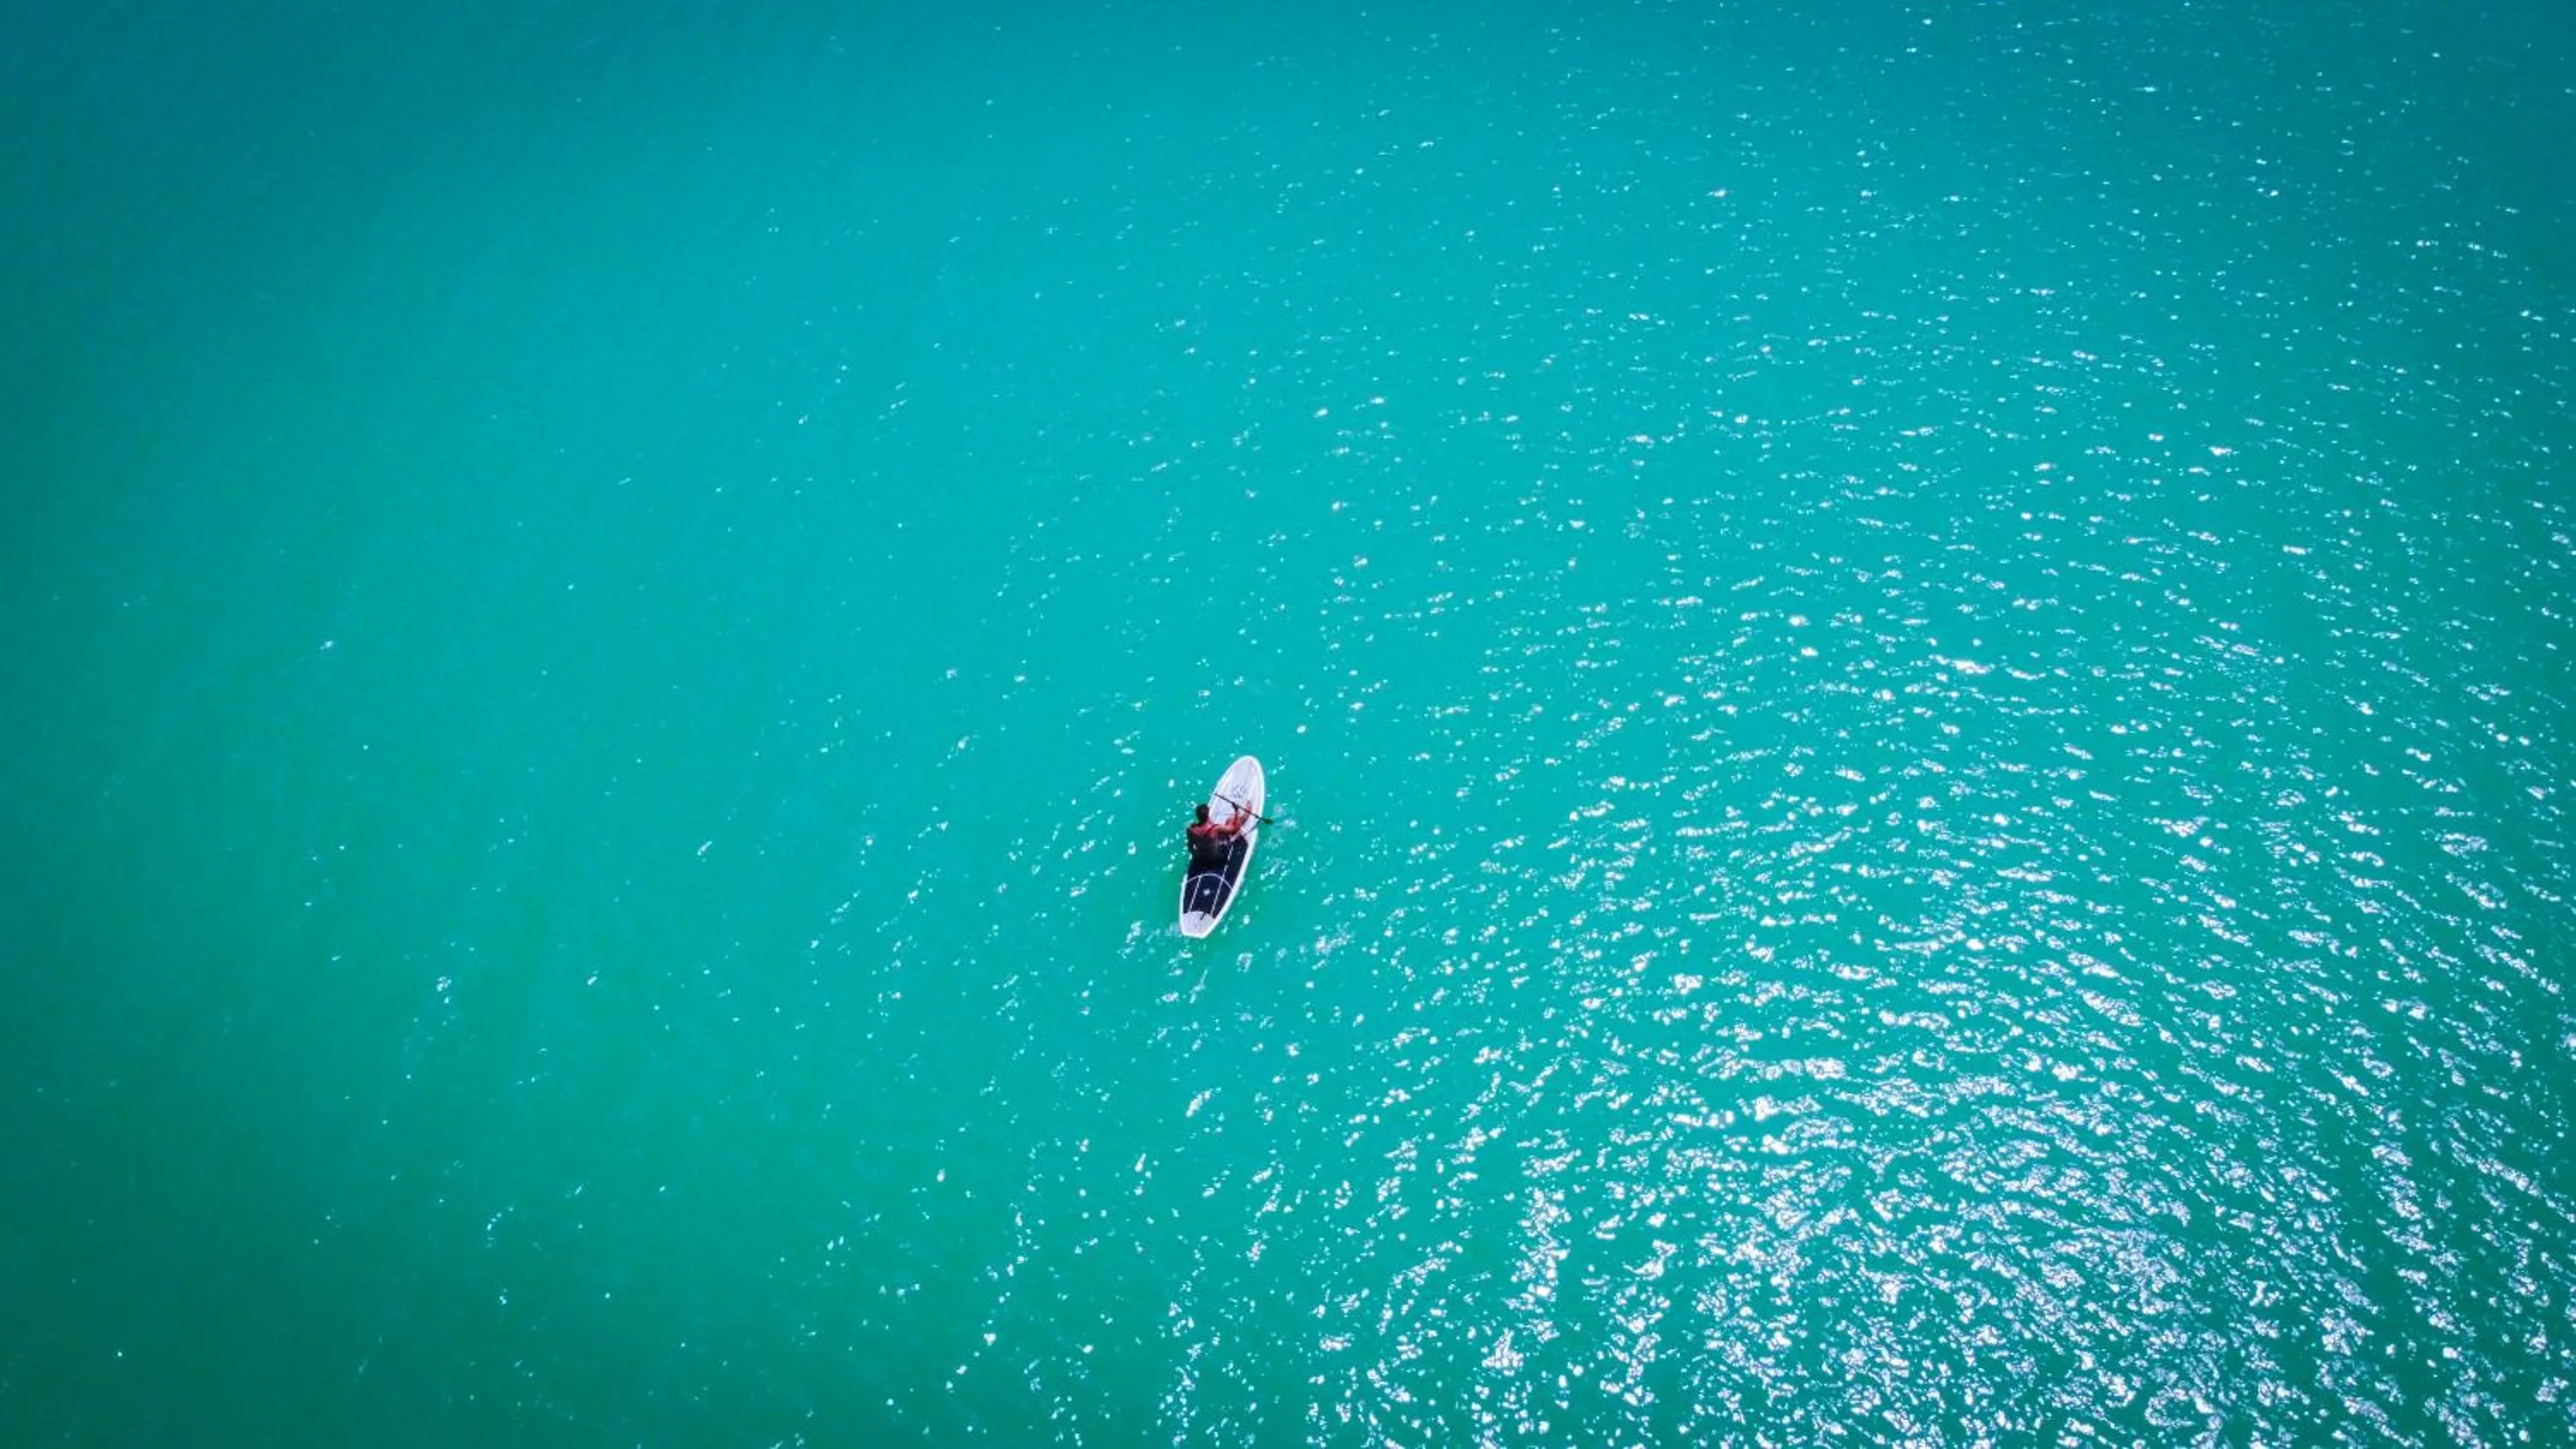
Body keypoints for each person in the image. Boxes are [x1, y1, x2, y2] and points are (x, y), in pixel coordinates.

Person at [1184, 801, 1249, 872]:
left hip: (1202, 857)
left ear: (1197, 815)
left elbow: (1190, 846)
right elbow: (1235, 828)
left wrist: (1196, 855)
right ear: (1207, 814)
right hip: (1217, 857)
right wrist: (1236, 810)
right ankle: (1244, 818)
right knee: (1230, 820)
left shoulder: (1190, 830)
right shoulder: (1215, 829)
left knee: (1219, 832)